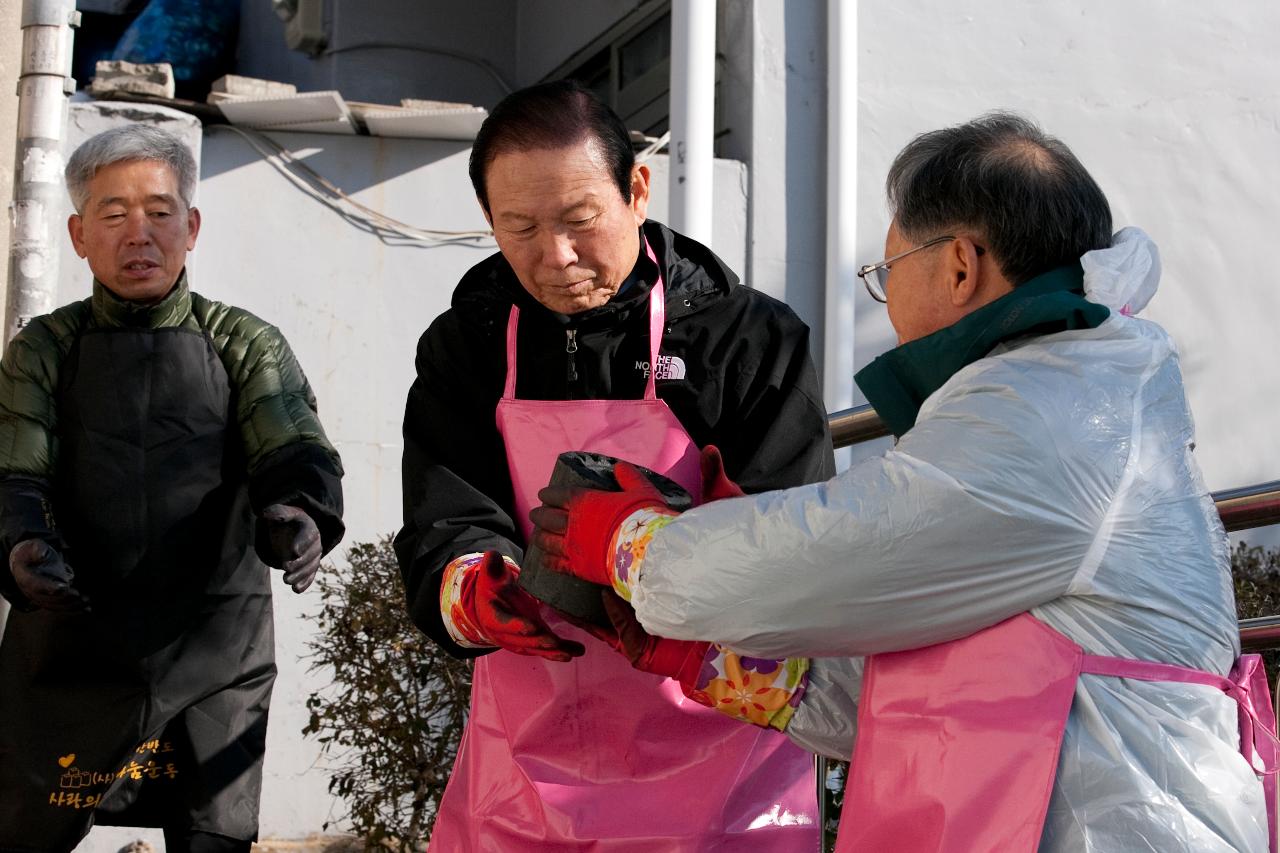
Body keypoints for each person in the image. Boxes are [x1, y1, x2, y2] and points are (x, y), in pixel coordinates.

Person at [534, 113, 1274, 852]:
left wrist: (637, 544)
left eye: (889, 272)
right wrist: (712, 658)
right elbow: (927, 700)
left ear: (959, 265)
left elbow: (844, 547)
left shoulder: (1049, 412)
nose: (885, 305)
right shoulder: (1065, 390)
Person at [394, 80, 833, 851]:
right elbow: (447, 511)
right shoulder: (466, 345)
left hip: (722, 750)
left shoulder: (747, 340)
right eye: (519, 227)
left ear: (636, 190)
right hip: (528, 757)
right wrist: (475, 586)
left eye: (578, 220)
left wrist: (684, 553)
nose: (554, 257)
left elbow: (794, 540)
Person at [0, 124, 345, 853]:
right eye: (113, 213)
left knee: (213, 835)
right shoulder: (43, 350)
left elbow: (290, 443)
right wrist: (22, 543)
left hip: (217, 653)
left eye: (159, 212)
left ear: (191, 228)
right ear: (77, 234)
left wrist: (298, 510)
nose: (139, 234)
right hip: (73, 647)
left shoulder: (245, 342)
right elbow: (15, 469)